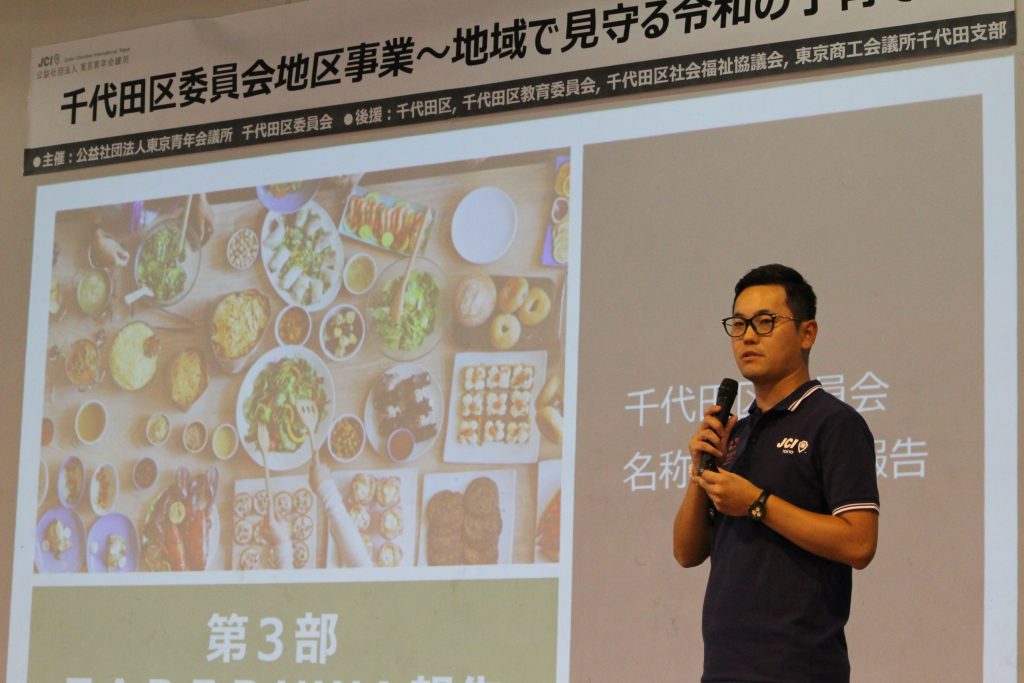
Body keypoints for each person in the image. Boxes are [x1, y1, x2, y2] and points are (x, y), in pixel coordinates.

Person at [673, 264, 879, 683]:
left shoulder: (833, 423)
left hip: (799, 667)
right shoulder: (737, 432)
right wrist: (700, 469)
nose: (748, 336)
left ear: (807, 333)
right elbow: (687, 553)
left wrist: (756, 503)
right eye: (738, 324)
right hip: (725, 668)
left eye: (765, 322)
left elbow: (859, 543)